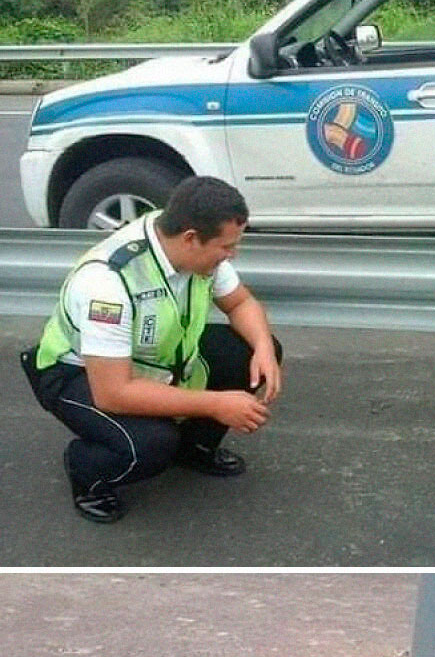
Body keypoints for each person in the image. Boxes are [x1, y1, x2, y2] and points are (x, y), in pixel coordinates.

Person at [21, 175, 282, 523]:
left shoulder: (187, 242)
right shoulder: (108, 283)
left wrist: (263, 346)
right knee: (150, 443)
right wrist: (217, 404)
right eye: (226, 247)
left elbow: (240, 304)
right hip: (77, 374)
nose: (232, 254)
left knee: (251, 353)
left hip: (154, 358)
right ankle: (88, 473)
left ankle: (194, 448)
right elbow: (113, 393)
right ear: (191, 239)